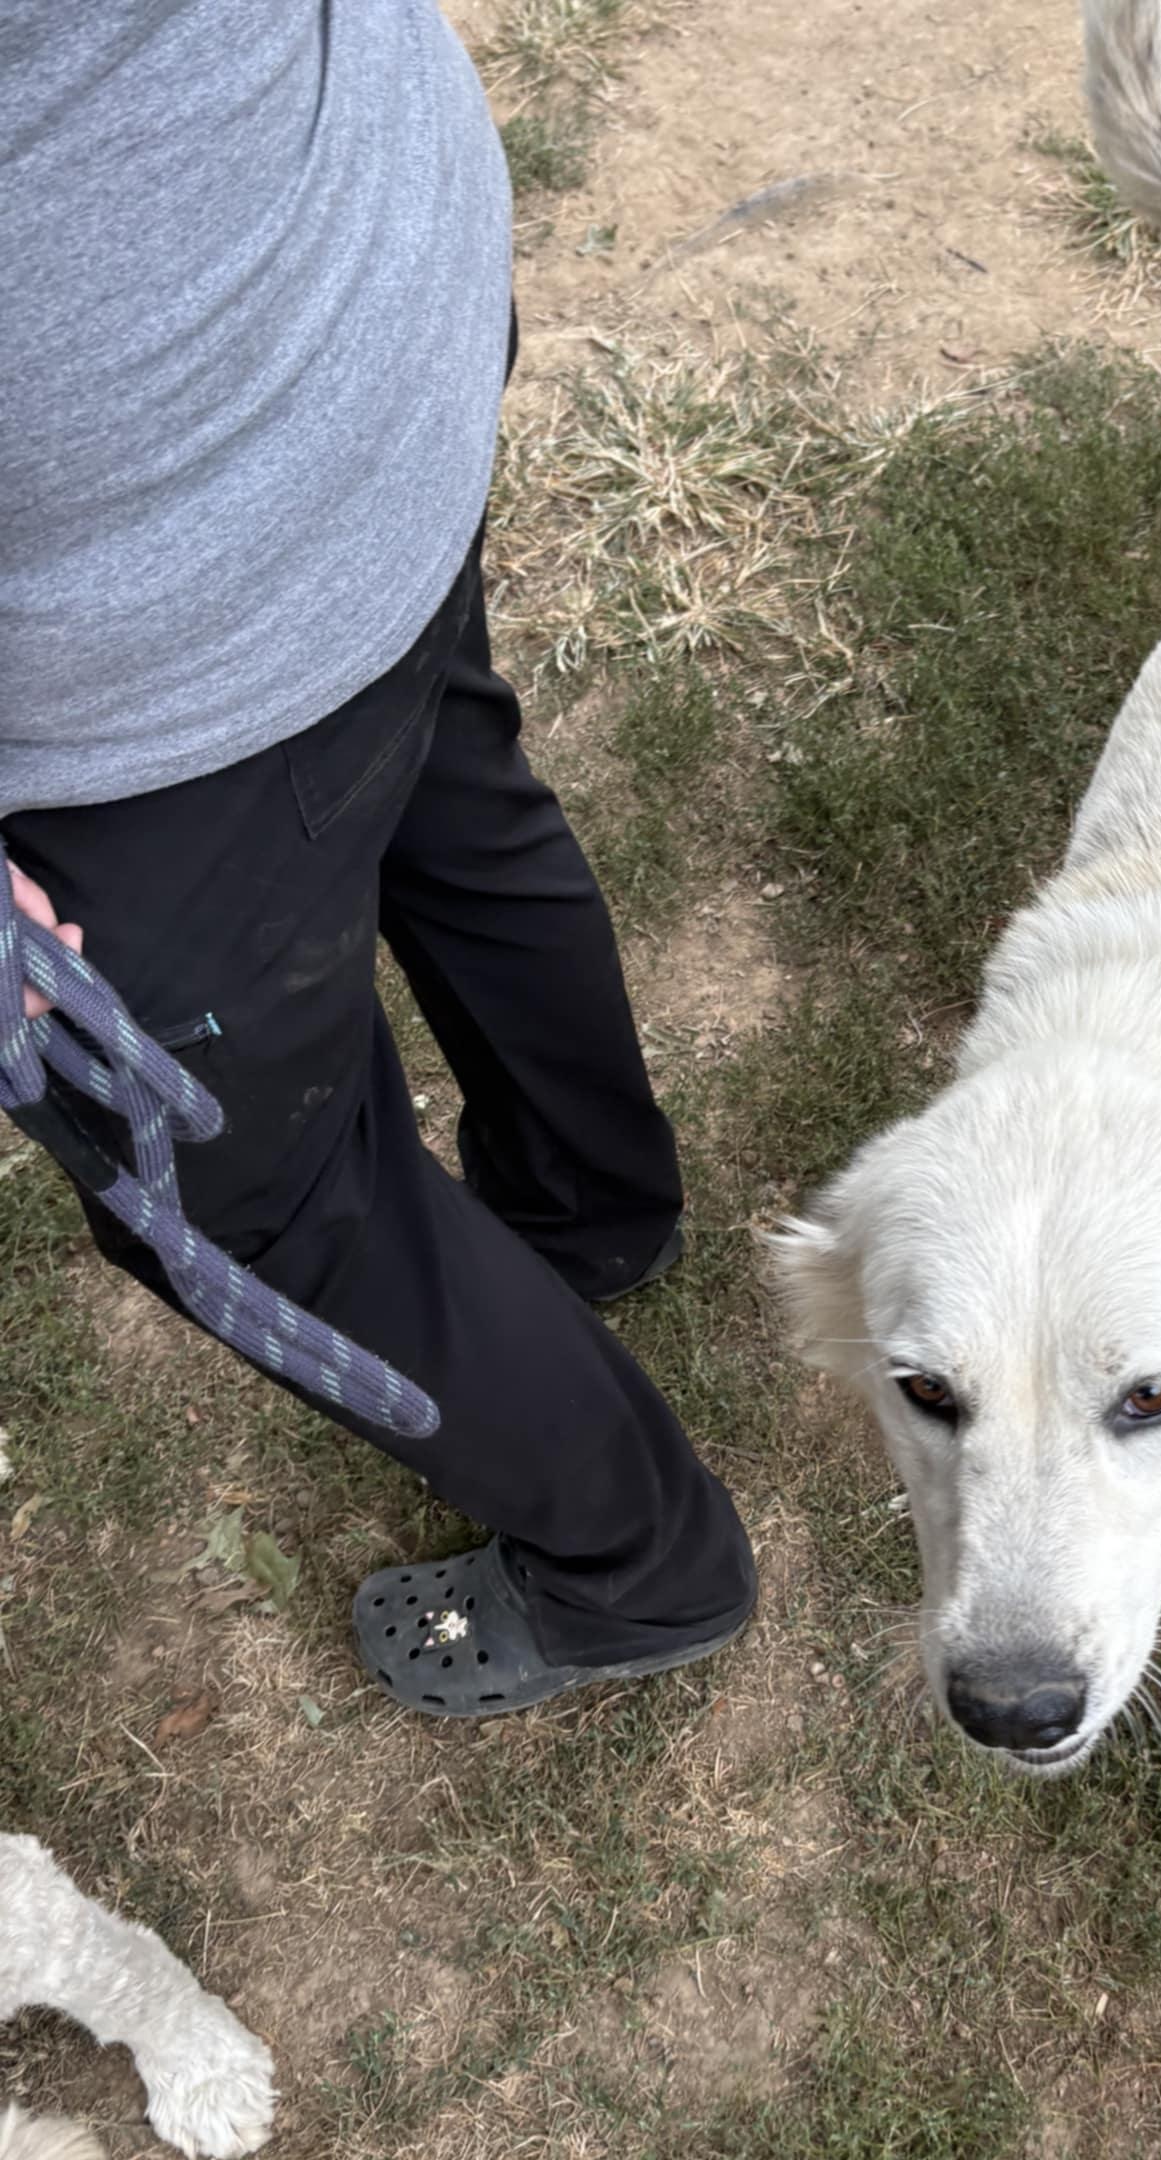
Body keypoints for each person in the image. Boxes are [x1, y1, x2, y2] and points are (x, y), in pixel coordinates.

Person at [0, 0, 757, 1715]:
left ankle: (643, 1568)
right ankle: (591, 1217)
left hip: (142, 606)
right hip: (358, 306)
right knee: (442, 793)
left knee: (255, 1199)